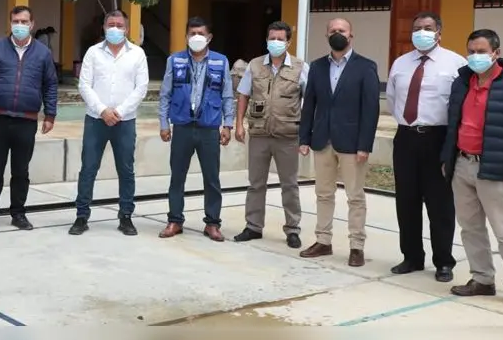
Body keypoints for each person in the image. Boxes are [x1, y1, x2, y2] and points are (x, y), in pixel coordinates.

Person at [441, 29, 503, 313]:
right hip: (462, 164)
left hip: (495, 167)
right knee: (471, 228)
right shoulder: (462, 82)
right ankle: (482, 278)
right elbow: (453, 123)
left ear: (496, 53)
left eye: (481, 51)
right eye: (471, 50)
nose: (475, 56)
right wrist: (448, 157)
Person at [386, 11, 467, 282]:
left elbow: (460, 107)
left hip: (438, 138)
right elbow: (393, 99)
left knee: (440, 204)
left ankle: (443, 261)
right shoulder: (400, 63)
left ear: (439, 32)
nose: (422, 32)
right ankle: (411, 257)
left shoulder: (456, 63)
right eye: (417, 27)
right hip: (406, 137)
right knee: (406, 201)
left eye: (428, 27)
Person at [298, 18, 380, 267]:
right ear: (326, 35)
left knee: (355, 196)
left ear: (351, 35)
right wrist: (304, 137)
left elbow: (371, 109)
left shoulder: (366, 67)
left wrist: (365, 144)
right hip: (322, 140)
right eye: (332, 30)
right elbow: (309, 104)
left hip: (352, 143)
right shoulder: (317, 66)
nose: (337, 34)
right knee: (323, 194)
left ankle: (356, 246)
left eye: (341, 30)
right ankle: (323, 240)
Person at [0, 5, 58, 232]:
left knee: (21, 170)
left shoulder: (42, 53)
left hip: (27, 121)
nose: (19, 26)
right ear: (10, 23)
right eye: (15, 21)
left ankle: (18, 213)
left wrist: (50, 114)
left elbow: (50, 85)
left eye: (23, 22)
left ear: (32, 24)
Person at [69, 10, 149, 236]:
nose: (115, 28)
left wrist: (119, 112)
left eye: (119, 25)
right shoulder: (93, 53)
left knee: (126, 170)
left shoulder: (137, 54)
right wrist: (103, 110)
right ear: (104, 27)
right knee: (88, 168)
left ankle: (126, 216)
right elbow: (84, 85)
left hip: (125, 122)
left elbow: (141, 88)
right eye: (111, 24)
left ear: (127, 28)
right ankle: (81, 215)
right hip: (96, 120)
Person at [157, 17, 234, 242]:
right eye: (192, 33)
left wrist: (227, 125)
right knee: (177, 177)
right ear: (186, 37)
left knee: (212, 178)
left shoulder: (221, 61)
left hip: (209, 128)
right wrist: (164, 124)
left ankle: (212, 223)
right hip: (181, 127)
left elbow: (228, 95)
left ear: (209, 37)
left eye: (201, 33)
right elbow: (165, 94)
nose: (196, 37)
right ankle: (174, 220)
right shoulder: (175, 60)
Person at [234, 21, 308, 248]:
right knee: (256, 183)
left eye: (280, 39)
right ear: (266, 40)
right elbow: (243, 95)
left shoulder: (301, 67)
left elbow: (309, 100)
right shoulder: (255, 65)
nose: (275, 42)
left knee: (290, 184)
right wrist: (239, 124)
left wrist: (306, 134)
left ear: (288, 42)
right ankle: (253, 226)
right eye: (272, 38)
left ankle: (293, 229)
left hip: (288, 134)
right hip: (259, 134)